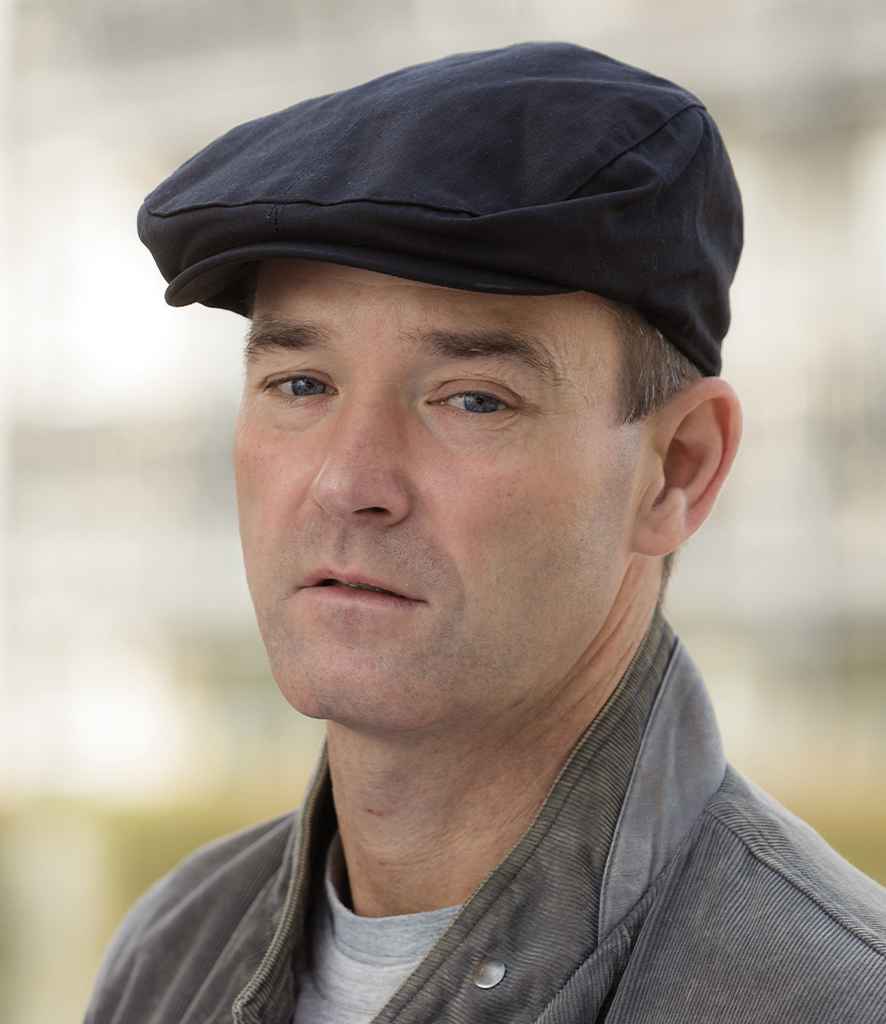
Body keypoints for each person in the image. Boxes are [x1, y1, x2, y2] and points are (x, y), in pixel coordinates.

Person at [85, 41, 886, 1024]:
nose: (348, 483)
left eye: (472, 399)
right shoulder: (176, 955)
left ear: (678, 467)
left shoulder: (830, 997)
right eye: (301, 384)